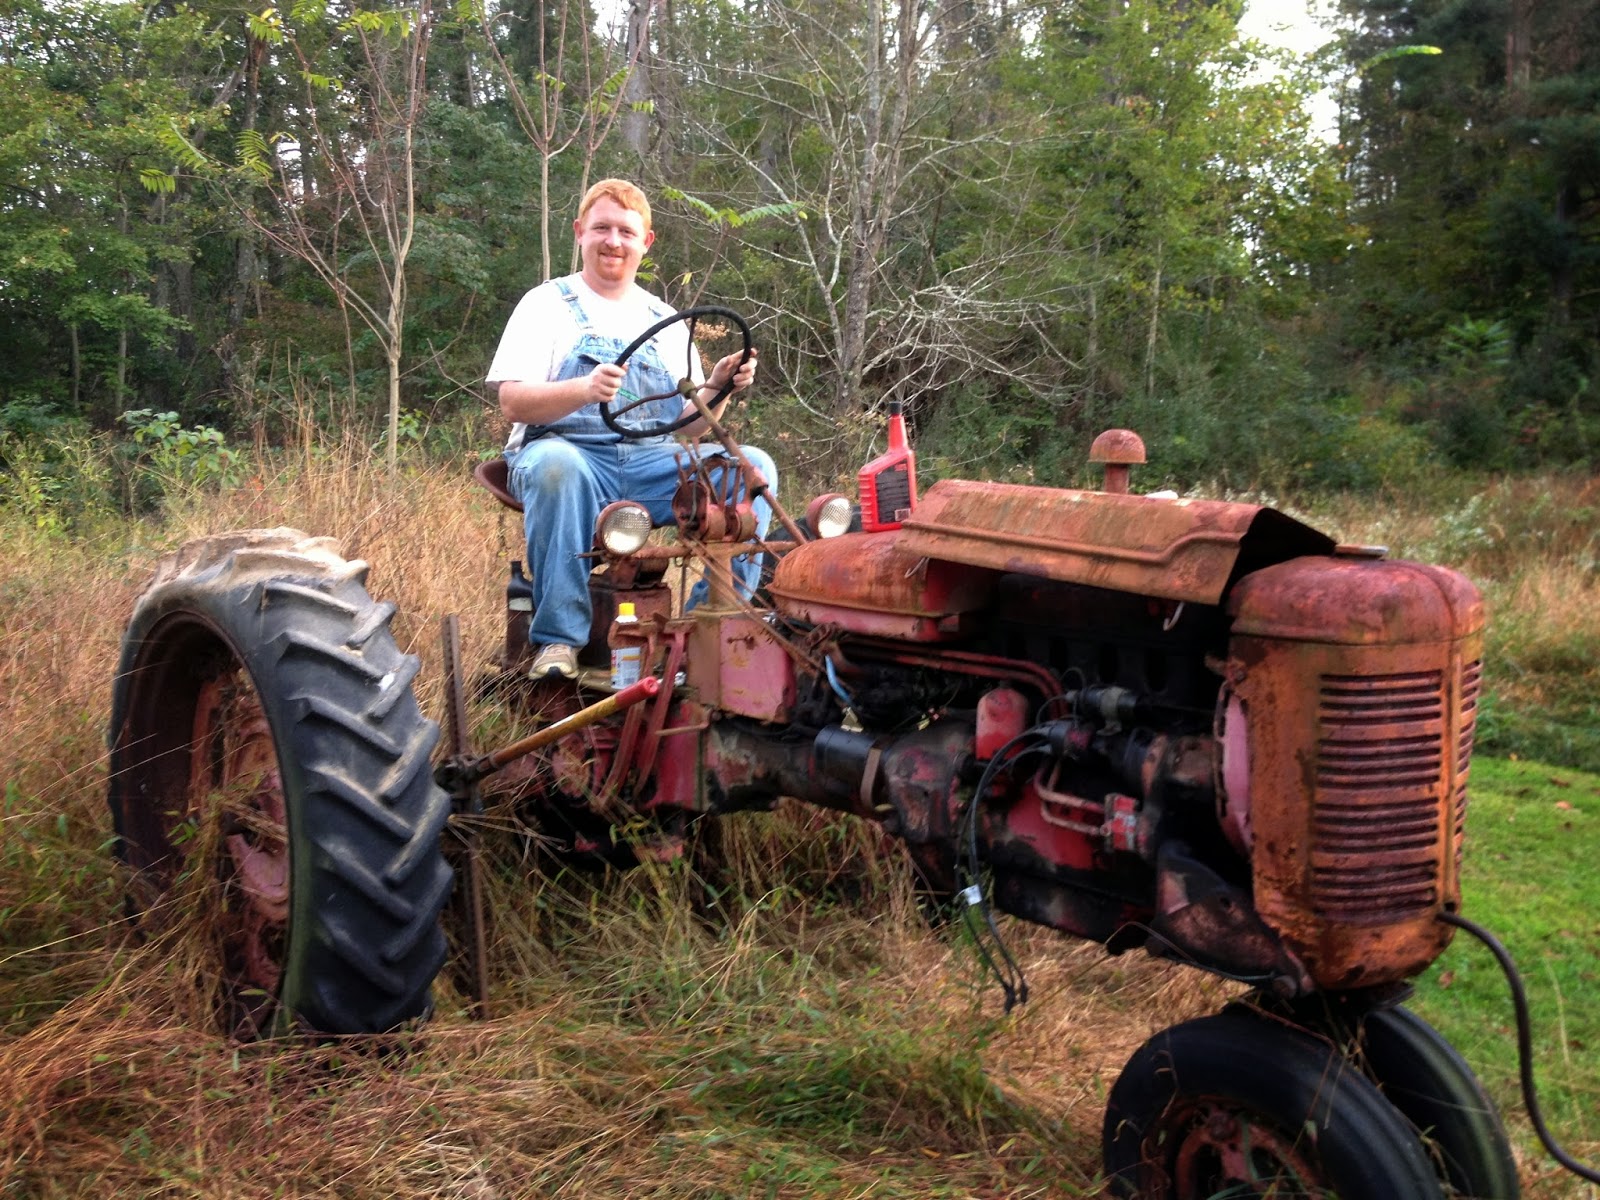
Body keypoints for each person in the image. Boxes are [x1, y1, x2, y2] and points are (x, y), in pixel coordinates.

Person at [486, 178, 778, 680]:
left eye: (626, 231)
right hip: (565, 453)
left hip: (648, 463)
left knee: (752, 468)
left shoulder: (664, 319)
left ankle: (708, 628)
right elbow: (512, 402)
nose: (613, 241)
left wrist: (717, 385)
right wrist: (584, 389)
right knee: (558, 466)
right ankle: (559, 640)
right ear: (579, 232)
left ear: (647, 241)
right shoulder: (546, 304)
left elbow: (689, 428)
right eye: (602, 228)